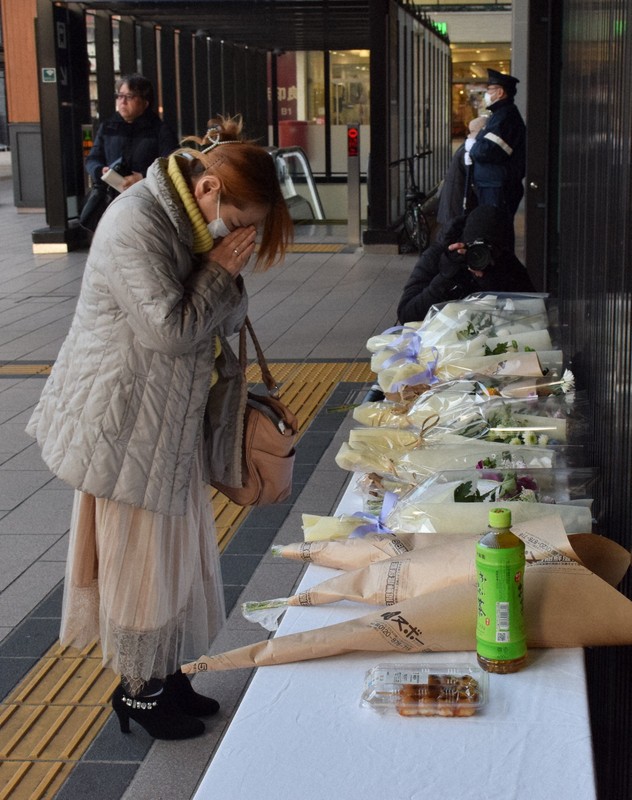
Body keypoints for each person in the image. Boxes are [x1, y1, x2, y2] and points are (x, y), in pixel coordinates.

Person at [26, 116, 294, 740]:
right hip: (123, 423)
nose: (243, 236)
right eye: (244, 222)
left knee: (175, 559)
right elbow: (169, 330)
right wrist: (218, 273)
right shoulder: (135, 222)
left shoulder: (193, 224)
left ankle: (168, 677)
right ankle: (140, 692)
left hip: (166, 418)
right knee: (138, 564)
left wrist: (222, 273)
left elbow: (224, 319)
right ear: (208, 191)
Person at [397, 204, 535, 325]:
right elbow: (406, 315)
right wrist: (445, 279)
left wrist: (492, 283)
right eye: (473, 248)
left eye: (488, 249)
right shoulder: (439, 255)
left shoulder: (504, 260)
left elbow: (534, 310)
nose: (480, 256)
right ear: (461, 240)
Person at [80, 74, 180, 231]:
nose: (122, 101)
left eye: (129, 97)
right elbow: (92, 158)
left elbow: (172, 165)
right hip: (111, 202)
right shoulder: (108, 127)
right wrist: (100, 170)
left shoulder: (160, 130)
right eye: (119, 96)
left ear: (145, 102)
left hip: (146, 202)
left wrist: (142, 176)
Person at [469, 69, 526, 227]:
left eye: (489, 90)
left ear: (500, 92)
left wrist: (473, 145)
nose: (486, 94)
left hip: (497, 186)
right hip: (494, 184)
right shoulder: (500, 115)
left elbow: (487, 150)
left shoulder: (504, 117)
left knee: (496, 230)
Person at [436, 116, 487, 232]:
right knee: (450, 241)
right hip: (456, 205)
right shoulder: (469, 150)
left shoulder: (466, 145)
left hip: (452, 204)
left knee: (448, 239)